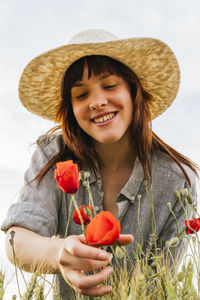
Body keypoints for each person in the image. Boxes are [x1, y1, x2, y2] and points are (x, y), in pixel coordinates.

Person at [1, 29, 199, 298]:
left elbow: (159, 285)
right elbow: (18, 242)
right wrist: (60, 253)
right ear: (70, 109)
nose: (97, 102)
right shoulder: (54, 156)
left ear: (133, 91)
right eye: (81, 95)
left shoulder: (178, 179)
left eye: (109, 86)